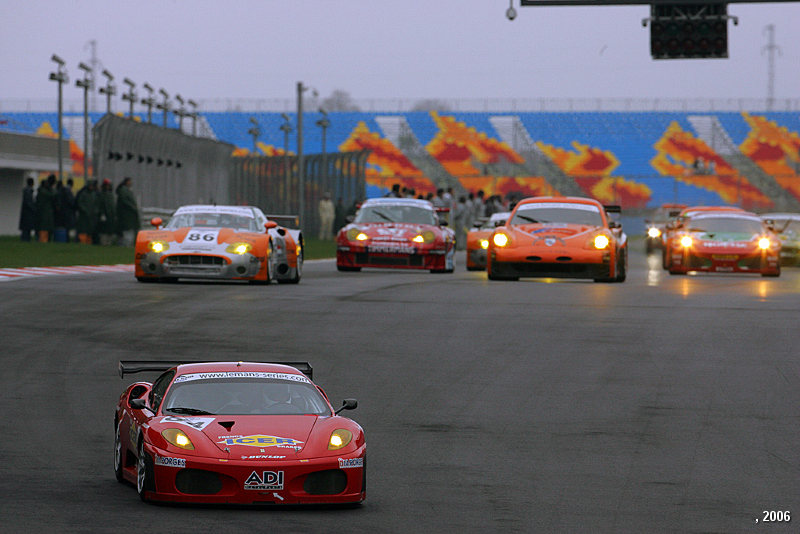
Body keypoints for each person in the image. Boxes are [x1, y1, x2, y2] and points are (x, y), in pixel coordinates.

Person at [116, 177, 140, 247]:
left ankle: (127, 244)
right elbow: (125, 201)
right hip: (126, 215)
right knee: (127, 231)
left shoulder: (126, 190)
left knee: (129, 230)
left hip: (128, 215)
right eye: (129, 181)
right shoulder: (124, 190)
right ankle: (126, 244)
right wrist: (133, 207)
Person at [75, 180, 99, 244]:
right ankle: (82, 242)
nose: (91, 187)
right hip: (84, 216)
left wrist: (95, 211)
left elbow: (97, 204)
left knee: (90, 230)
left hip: (92, 216)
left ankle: (89, 242)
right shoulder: (83, 194)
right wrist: (85, 210)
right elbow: (80, 203)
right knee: (83, 230)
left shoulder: (94, 194)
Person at [35, 174, 57, 242]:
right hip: (44, 213)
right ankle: (43, 240)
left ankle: (46, 240)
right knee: (44, 228)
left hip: (46, 213)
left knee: (47, 228)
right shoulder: (43, 191)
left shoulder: (44, 191)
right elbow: (53, 194)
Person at [97, 179, 117, 245]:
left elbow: (113, 205)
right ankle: (103, 242)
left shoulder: (110, 194)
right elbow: (100, 205)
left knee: (110, 230)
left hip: (111, 215)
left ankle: (109, 242)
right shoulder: (101, 194)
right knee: (104, 231)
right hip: (105, 215)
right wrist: (102, 214)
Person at [18, 177, 36, 242]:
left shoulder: (26, 190)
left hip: (26, 212)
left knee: (25, 227)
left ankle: (25, 238)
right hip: (28, 213)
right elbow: (29, 203)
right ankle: (26, 239)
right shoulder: (29, 191)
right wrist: (34, 209)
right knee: (27, 227)